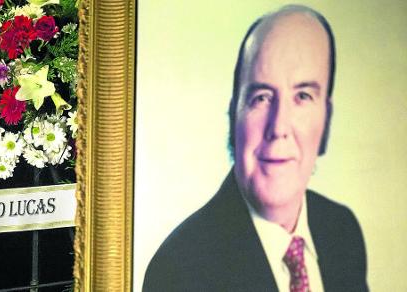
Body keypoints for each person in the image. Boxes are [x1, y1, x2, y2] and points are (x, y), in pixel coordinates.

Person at [143, 5, 367, 292]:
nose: (279, 127)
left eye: (303, 95)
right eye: (261, 97)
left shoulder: (342, 230)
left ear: (327, 118)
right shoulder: (178, 270)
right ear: (233, 113)